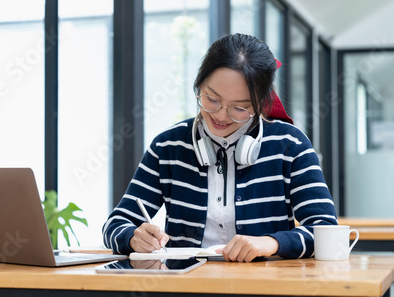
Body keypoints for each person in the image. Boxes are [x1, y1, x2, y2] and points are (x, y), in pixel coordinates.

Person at [102, 33, 337, 262]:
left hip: (265, 288)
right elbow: (115, 225)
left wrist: (271, 242)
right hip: (186, 289)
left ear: (261, 103)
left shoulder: (290, 145)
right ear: (198, 86)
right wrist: (133, 237)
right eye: (212, 99)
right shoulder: (168, 146)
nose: (221, 116)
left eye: (240, 107)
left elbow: (326, 231)